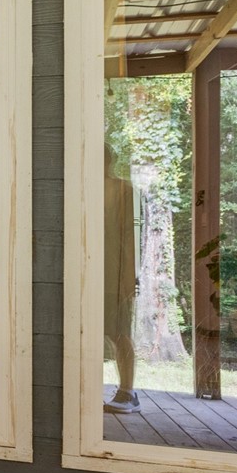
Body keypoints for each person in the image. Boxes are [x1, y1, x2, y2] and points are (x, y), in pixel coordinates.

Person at [103, 150, 141, 414]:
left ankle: (127, 392)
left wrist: (129, 277)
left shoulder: (123, 190)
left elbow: (132, 236)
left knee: (119, 332)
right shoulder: (77, 187)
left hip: (113, 273)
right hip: (84, 272)